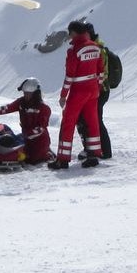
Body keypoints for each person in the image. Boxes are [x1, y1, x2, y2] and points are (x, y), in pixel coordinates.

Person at [49, 20, 104, 170]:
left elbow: (69, 76)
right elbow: (101, 71)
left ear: (74, 32)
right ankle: (93, 154)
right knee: (92, 123)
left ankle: (62, 159)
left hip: (78, 91)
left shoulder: (74, 51)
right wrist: (97, 87)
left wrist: (63, 95)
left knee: (68, 122)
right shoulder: (96, 47)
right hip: (93, 90)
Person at [0, 77, 53, 164]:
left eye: (28, 93)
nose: (25, 95)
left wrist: (27, 134)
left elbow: (41, 129)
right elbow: (7, 108)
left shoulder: (44, 108)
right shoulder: (21, 102)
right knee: (8, 141)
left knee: (33, 159)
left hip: (39, 142)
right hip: (26, 139)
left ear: (35, 93)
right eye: (24, 93)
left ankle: (48, 154)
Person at [77, 22, 113, 160]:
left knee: (95, 119)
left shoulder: (97, 49)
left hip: (99, 91)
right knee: (86, 119)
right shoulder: (90, 47)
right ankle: (91, 148)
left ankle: (103, 150)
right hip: (94, 90)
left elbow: (101, 72)